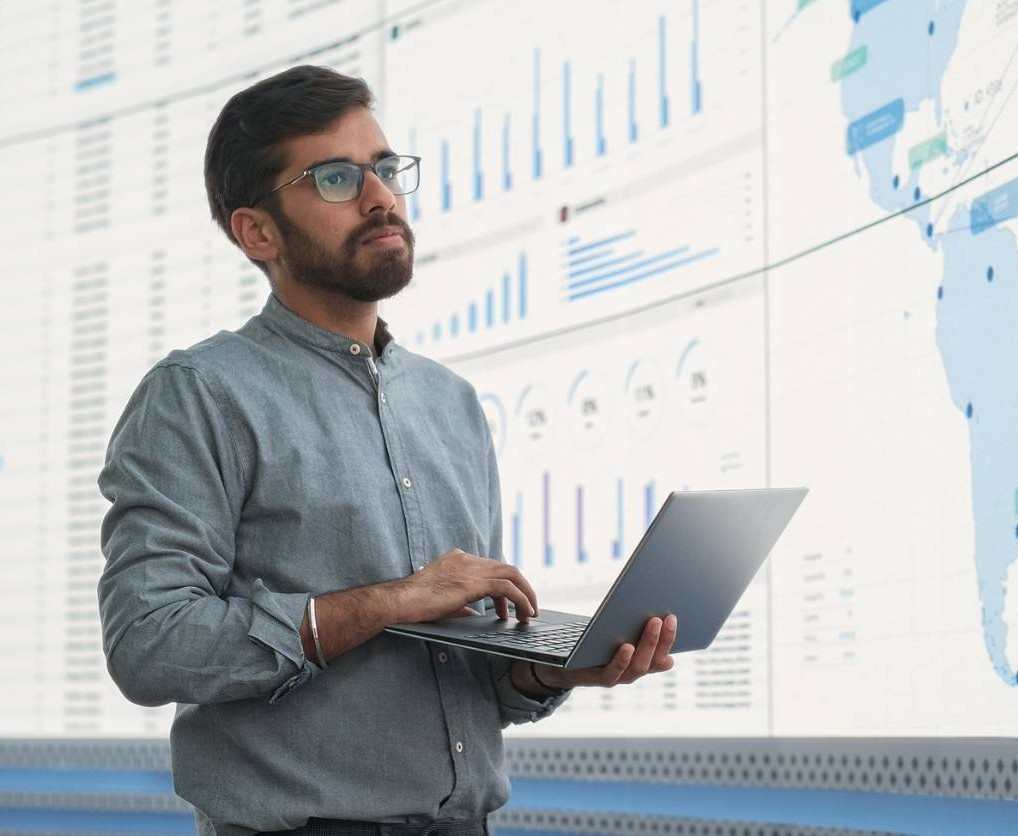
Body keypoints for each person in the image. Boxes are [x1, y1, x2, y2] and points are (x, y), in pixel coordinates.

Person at [96, 64, 679, 836]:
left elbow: (471, 676)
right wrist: (391, 602)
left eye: (384, 168)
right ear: (257, 231)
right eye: (334, 177)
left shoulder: (451, 404)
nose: (380, 198)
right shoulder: (199, 394)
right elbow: (150, 643)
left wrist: (549, 669)